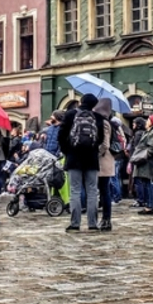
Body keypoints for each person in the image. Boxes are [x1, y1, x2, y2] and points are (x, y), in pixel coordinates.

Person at [58, 93, 104, 231]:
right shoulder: (97, 117)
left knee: (75, 191)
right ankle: (92, 224)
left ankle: (75, 223)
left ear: (81, 101)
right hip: (91, 158)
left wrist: (68, 151)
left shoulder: (70, 114)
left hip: (73, 157)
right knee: (92, 191)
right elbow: (100, 138)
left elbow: (61, 135)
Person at [132, 114, 153, 215]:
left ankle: (150, 206)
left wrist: (143, 155)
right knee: (145, 183)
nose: (146, 121)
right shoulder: (149, 132)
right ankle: (148, 205)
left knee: (147, 183)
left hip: (146, 161)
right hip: (144, 161)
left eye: (148, 120)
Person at [94, 98, 115, 231]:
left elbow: (105, 144)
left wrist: (96, 153)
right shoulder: (105, 121)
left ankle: (106, 220)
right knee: (101, 191)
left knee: (104, 191)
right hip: (104, 160)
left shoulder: (104, 123)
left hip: (103, 160)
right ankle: (102, 219)